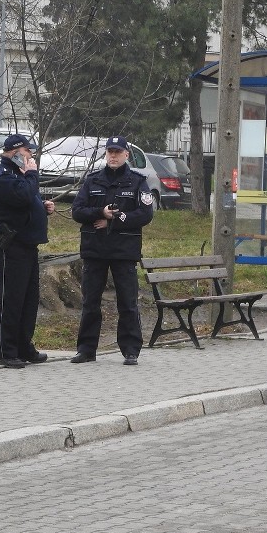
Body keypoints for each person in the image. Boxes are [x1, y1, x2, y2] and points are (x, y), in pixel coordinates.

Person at [70, 135, 155, 365]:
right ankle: (86, 349)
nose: (114, 156)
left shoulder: (137, 182)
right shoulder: (93, 181)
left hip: (123, 251)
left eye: (118, 152)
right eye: (110, 152)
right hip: (95, 249)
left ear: (127, 154)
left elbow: (145, 214)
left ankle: (130, 350)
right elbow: (77, 210)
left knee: (127, 302)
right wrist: (100, 213)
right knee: (90, 302)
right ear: (106, 154)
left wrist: (114, 220)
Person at [0, 133, 56, 368]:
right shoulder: (4, 177)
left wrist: (42, 207)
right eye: (28, 152)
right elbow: (23, 194)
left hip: (27, 244)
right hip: (10, 244)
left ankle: (24, 345)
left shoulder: (19, 175)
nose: (31, 157)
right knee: (12, 299)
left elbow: (28, 199)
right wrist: (33, 175)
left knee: (28, 299)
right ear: (15, 153)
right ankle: (7, 351)